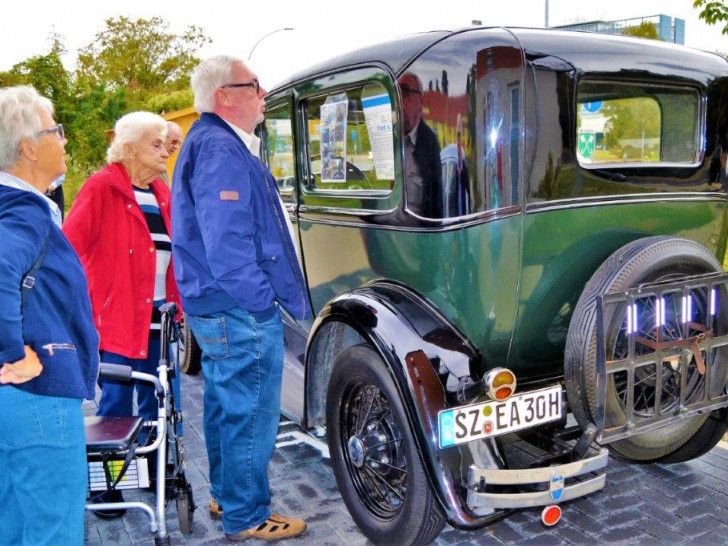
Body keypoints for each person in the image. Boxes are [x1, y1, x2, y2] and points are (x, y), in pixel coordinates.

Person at [171, 55, 310, 542]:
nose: (263, 92)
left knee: (226, 405)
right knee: (250, 411)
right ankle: (247, 515)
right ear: (224, 95)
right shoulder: (220, 149)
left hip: (217, 305)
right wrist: (260, 302)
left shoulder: (212, 142)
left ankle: (228, 495)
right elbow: (227, 246)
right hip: (236, 308)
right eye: (254, 85)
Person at [63, 111, 181, 513]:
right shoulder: (101, 188)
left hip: (159, 322)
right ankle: (105, 485)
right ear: (129, 149)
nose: (165, 150)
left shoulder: (162, 191)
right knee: (114, 404)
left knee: (157, 403)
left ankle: (152, 474)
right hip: (116, 321)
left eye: (166, 142)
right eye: (156, 143)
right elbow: (69, 249)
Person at [0, 85, 99, 544]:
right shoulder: (24, 212)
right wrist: (11, 351)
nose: (64, 138)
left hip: (15, 400)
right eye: (56, 130)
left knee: (15, 525)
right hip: (36, 394)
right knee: (52, 530)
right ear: (28, 148)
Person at [398, 72, 443, 218]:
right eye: (396, 93)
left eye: (406, 92)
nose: (399, 100)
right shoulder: (388, 138)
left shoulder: (430, 144)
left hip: (415, 236)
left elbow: (437, 206)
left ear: (420, 102)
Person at [160, 121, 183, 186]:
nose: (176, 147)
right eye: (174, 141)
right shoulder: (150, 163)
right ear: (162, 137)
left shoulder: (162, 161)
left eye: (179, 143)